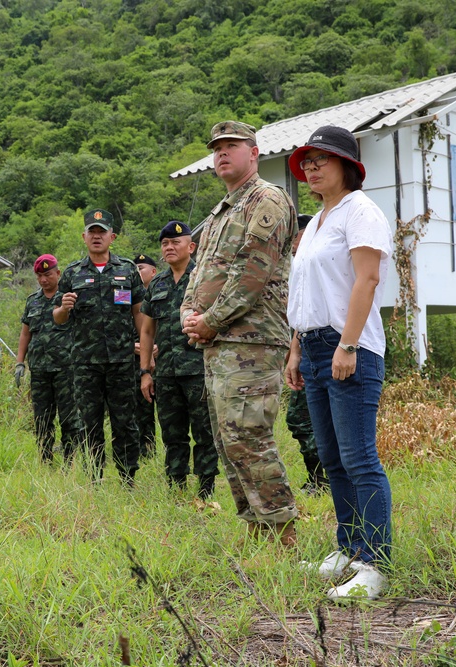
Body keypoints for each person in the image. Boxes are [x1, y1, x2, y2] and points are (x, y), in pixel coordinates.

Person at [284, 125, 393, 599]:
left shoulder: (361, 212)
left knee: (358, 457)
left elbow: (365, 281)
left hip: (348, 346)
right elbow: (305, 291)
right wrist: (295, 349)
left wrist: (346, 345)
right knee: (330, 456)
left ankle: (375, 562)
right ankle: (348, 547)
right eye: (306, 162)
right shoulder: (315, 224)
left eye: (320, 160)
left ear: (347, 165)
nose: (310, 168)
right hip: (311, 346)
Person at [181, 120, 299, 546]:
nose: (222, 154)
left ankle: (283, 534)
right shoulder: (219, 212)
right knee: (227, 439)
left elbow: (252, 274)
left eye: (232, 146)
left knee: (248, 435)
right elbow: (199, 275)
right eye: (217, 149)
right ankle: (256, 530)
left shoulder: (267, 200)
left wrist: (208, 321)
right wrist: (188, 313)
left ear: (254, 152)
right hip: (218, 344)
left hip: (251, 339)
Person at [54, 209, 147, 484]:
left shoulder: (127, 269)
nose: (97, 237)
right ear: (84, 237)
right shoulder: (72, 273)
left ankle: (127, 477)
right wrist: (64, 308)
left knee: (125, 421)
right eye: (92, 232)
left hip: (121, 360)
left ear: (112, 237)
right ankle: (94, 477)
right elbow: (57, 318)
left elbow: (139, 312)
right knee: (90, 423)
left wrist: (144, 343)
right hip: (86, 362)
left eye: (102, 232)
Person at [140, 221, 219, 499]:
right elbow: (147, 330)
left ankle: (206, 490)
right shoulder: (158, 283)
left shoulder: (205, 278)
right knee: (172, 434)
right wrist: (145, 371)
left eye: (175, 242)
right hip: (166, 373)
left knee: (204, 432)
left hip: (200, 370)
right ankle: (176, 489)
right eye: (164, 243)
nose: (169, 247)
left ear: (191, 246)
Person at [16, 254, 86, 465]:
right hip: (39, 370)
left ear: (58, 273)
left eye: (47, 275)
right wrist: (20, 362)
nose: (43, 280)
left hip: (66, 368)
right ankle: (46, 460)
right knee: (42, 419)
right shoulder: (33, 301)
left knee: (69, 418)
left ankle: (69, 461)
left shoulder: (69, 298)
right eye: (39, 276)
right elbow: (25, 333)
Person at [285, 213, 326, 495]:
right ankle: (318, 479)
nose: (290, 244)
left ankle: (326, 481)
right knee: (299, 418)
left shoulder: (319, 264)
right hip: (306, 349)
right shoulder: (296, 268)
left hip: (329, 350)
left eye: (294, 237)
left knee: (324, 420)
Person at [133, 253, 159, 460]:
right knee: (142, 407)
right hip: (137, 360)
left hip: (165, 358)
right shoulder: (127, 294)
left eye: (141, 267)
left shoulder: (162, 291)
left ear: (153, 271)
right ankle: (146, 451)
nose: (137, 272)